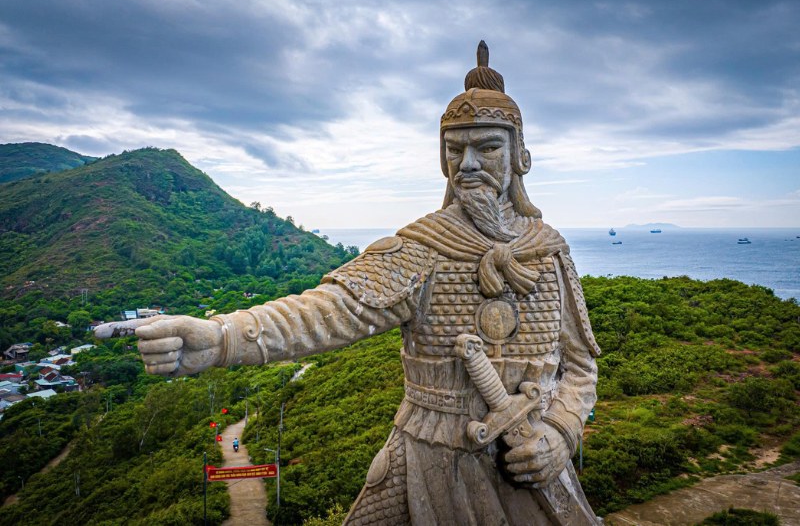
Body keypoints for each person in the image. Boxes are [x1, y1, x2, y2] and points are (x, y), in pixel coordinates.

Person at [98, 42, 601, 525]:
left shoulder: (550, 251)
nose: (467, 164)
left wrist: (560, 433)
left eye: (487, 147)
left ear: (519, 156)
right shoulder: (422, 249)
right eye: (455, 150)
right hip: (430, 459)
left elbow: (580, 366)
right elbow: (330, 310)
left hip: (534, 466)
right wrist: (223, 336)